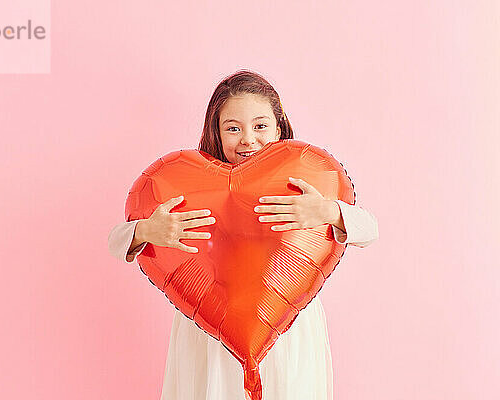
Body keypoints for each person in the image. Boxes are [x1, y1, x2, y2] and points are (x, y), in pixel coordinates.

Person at [108, 70, 379, 400]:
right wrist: (147, 230)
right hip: (210, 327)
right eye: (233, 128)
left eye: (260, 126)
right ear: (217, 134)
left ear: (279, 128)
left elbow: (369, 229)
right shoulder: (191, 187)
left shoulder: (303, 185)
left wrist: (328, 212)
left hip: (285, 324)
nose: (248, 138)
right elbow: (116, 239)